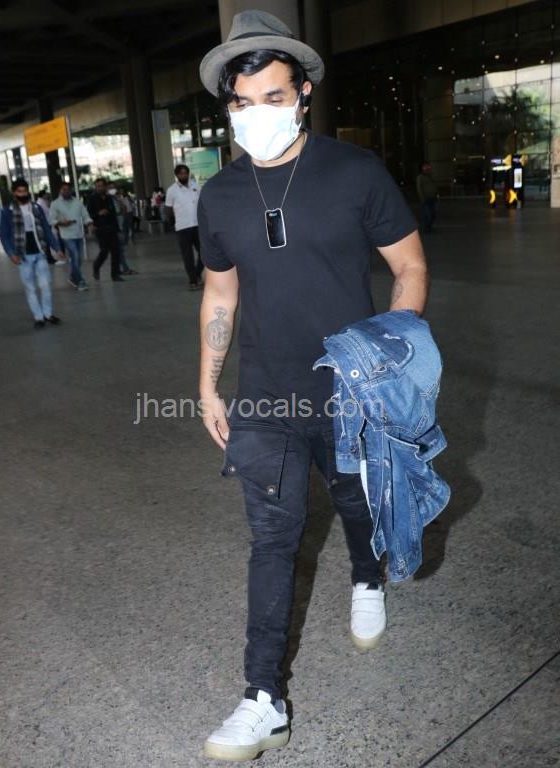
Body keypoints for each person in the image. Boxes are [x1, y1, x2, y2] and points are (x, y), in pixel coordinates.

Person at [197, 10, 429, 762]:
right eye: (241, 102)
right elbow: (220, 293)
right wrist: (207, 383)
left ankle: (367, 577)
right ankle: (263, 697)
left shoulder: (355, 173)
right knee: (272, 539)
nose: (256, 114)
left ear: (302, 93)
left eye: (272, 96)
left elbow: (409, 267)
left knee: (356, 502)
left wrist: (388, 356)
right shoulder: (220, 195)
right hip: (265, 396)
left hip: (350, 389)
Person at [0, 178, 64, 328]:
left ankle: (48, 314)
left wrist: (56, 247)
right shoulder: (7, 211)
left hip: (40, 252)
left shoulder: (36, 207)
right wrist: (11, 254)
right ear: (14, 193)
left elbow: (46, 229)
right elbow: (4, 234)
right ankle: (38, 317)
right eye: (19, 191)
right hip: (22, 255)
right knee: (30, 288)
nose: (23, 194)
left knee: (45, 285)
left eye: (25, 191)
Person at [49, 181, 92, 290]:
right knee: (75, 256)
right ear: (60, 191)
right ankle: (80, 281)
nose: (66, 191)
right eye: (64, 189)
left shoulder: (77, 202)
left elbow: (85, 215)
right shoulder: (55, 204)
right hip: (66, 235)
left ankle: (73, 277)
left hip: (78, 234)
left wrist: (90, 224)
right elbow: (51, 220)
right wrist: (61, 223)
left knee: (79, 259)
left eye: (68, 189)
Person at [165, 164, 203, 290]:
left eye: (185, 173)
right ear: (177, 175)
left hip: (198, 225)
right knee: (188, 256)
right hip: (182, 227)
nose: (183, 175)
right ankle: (193, 281)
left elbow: (202, 203)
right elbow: (168, 209)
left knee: (204, 253)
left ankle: (197, 273)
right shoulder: (172, 190)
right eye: (181, 173)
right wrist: (172, 223)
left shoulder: (195, 186)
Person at [87, 177, 123, 282]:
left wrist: (118, 229)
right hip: (100, 228)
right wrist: (98, 214)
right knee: (104, 251)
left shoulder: (109, 198)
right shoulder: (92, 199)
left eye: (101, 186)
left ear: (105, 187)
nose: (100, 188)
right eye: (97, 186)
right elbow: (89, 214)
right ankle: (96, 266)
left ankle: (115, 275)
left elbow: (113, 214)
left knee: (116, 251)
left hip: (111, 227)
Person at [108, 185, 138, 276]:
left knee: (119, 250)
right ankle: (123, 269)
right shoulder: (108, 200)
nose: (113, 190)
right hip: (113, 227)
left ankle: (121, 269)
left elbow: (124, 209)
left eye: (114, 188)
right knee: (117, 249)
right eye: (110, 188)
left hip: (119, 225)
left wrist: (120, 202)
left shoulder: (116, 199)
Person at [416, 161, 438, 234]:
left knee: (433, 214)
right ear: (423, 168)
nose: (428, 168)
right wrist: (423, 198)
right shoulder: (420, 177)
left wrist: (436, 194)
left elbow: (433, 186)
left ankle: (429, 227)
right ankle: (426, 229)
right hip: (426, 198)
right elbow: (419, 188)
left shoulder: (430, 176)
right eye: (426, 167)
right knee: (428, 214)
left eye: (429, 167)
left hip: (432, 198)